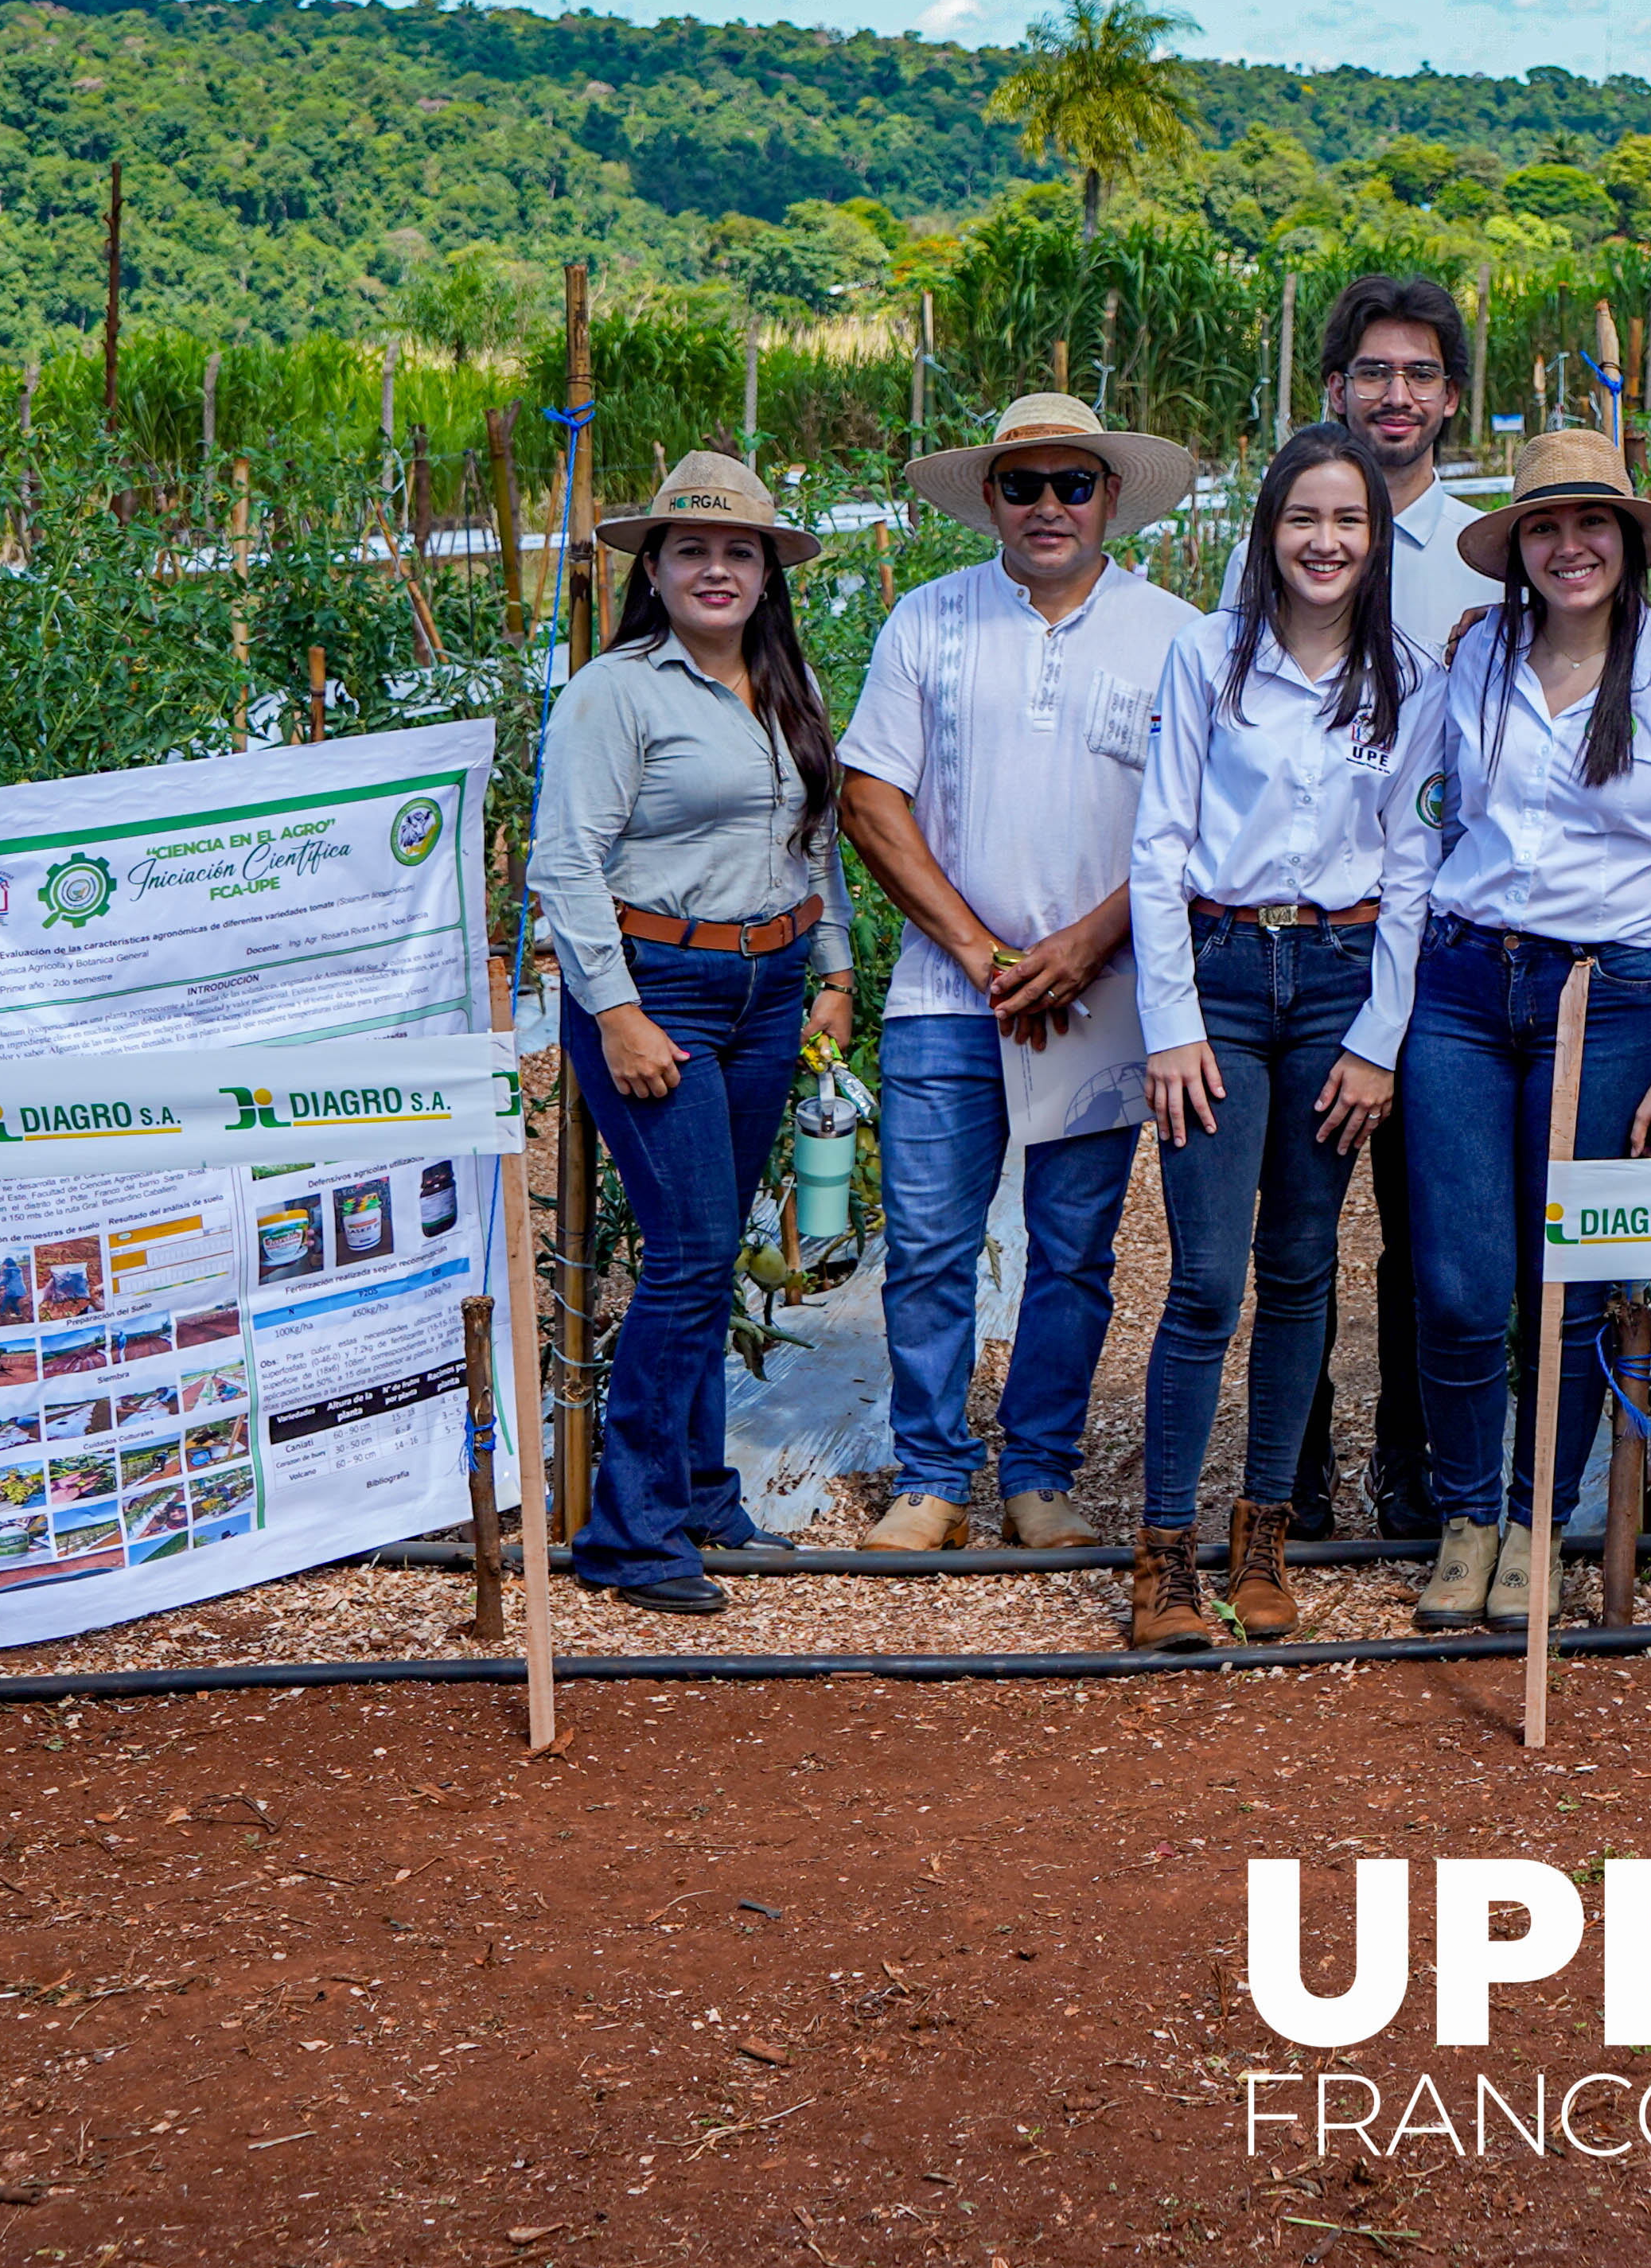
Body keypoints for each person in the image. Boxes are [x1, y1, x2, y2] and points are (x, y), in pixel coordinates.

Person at [835, 393, 1199, 1552]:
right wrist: (980, 952)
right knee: (930, 1244)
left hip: (1098, 996)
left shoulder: (1176, 636)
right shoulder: (927, 623)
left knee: (1075, 1250)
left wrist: (1088, 944)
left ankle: (1041, 1470)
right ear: (990, 499)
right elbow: (869, 798)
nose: (1049, 506)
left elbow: (1190, 826)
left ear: (1110, 501)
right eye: (1024, 485)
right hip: (949, 996)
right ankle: (933, 1476)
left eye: (1073, 484)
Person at [1395, 429, 1651, 1635]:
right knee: (1459, 1277)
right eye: (1545, 526)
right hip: (1468, 987)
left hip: (1616, 992)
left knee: (1573, 1275)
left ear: (1630, 544)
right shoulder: (1477, 662)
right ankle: (1467, 1515)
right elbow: (1422, 827)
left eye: (1592, 525)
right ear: (1517, 551)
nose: (1570, 546)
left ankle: (1541, 1518)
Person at [1122, 424, 1430, 1648]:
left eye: (1349, 520)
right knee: (1203, 1278)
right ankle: (1161, 1563)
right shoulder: (1209, 657)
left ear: (1376, 537)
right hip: (1224, 976)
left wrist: (1380, 1037)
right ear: (1270, 528)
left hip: (1343, 978)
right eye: (1305, 517)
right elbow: (1156, 845)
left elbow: (1413, 869)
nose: (1326, 541)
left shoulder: (1408, 675)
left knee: (1302, 1269)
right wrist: (1169, 1023)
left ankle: (1262, 1545)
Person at [538, 455, 857, 1613]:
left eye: (738, 551)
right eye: (691, 551)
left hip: (769, 984)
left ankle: (700, 1490)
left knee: (710, 1251)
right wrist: (615, 1011)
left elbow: (812, 840)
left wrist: (833, 969)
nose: (716, 569)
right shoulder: (614, 692)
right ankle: (628, 1533)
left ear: (768, 572)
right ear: (655, 570)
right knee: (686, 1251)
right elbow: (564, 862)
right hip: (657, 982)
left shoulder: (783, 679)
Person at [1294, 271, 1491, 1541]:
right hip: (1316, 947)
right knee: (1298, 1217)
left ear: (1453, 399)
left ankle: (1416, 1472)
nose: (1397, 395)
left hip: (1454, 948)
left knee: (1433, 1228)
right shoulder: (1292, 535)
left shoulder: (1492, 553)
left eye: (1421, 374)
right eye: (1374, 372)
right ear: (1335, 390)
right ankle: (1292, 1470)